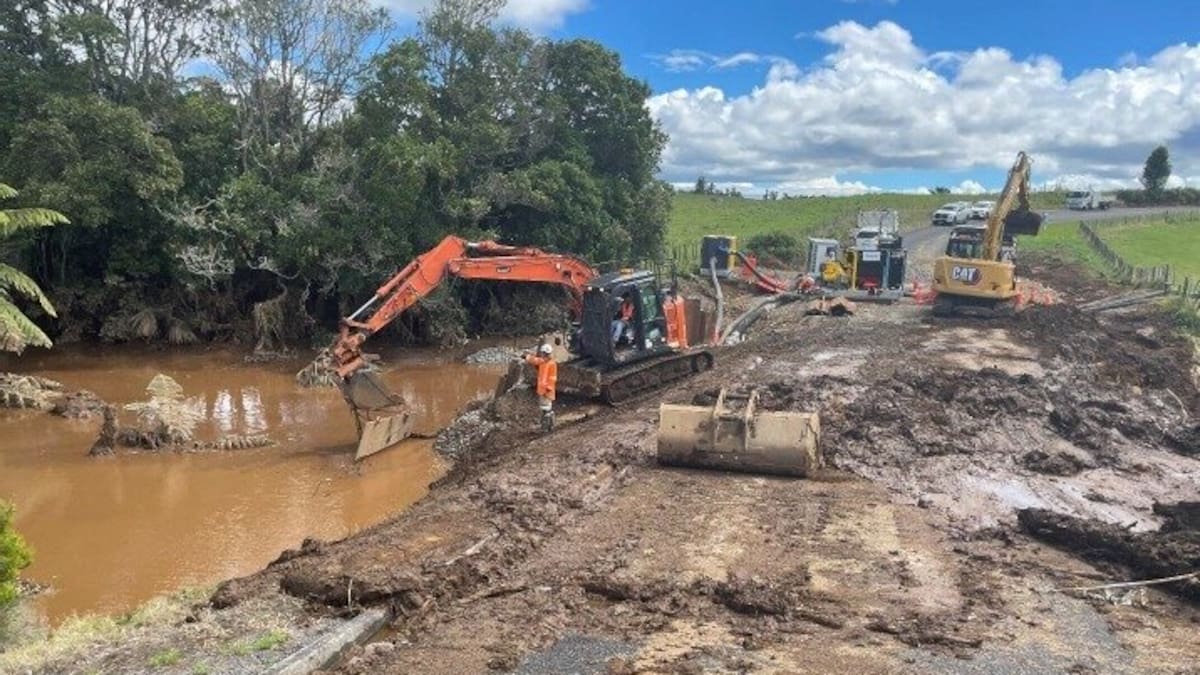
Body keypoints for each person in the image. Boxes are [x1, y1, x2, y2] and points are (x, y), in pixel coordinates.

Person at [524, 342, 557, 432]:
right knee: (545, 408)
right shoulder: (543, 361)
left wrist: (548, 389)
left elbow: (552, 378)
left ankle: (545, 428)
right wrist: (526, 357)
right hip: (543, 390)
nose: (541, 354)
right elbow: (534, 360)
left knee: (546, 409)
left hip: (546, 390)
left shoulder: (551, 364)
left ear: (545, 353)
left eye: (542, 353)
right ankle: (549, 425)